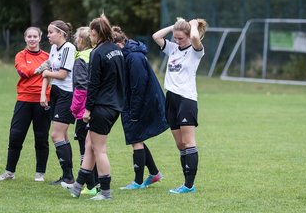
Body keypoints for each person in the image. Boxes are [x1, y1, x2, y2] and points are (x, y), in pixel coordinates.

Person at [62, 14, 126, 200]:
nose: (89, 36)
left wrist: (88, 109)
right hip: (114, 105)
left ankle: (105, 192)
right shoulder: (116, 49)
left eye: (90, 33)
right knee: (90, 145)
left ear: (94, 32)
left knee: (99, 149)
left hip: (102, 106)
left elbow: (93, 84)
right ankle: (78, 186)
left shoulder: (97, 53)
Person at [152, 17, 208, 194]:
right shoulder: (173, 49)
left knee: (188, 141)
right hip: (171, 99)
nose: (177, 41)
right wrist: (174, 27)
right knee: (180, 144)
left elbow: (195, 39)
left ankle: (189, 185)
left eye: (181, 38)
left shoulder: (195, 50)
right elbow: (156, 36)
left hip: (187, 99)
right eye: (175, 38)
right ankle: (186, 183)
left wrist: (192, 25)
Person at [112, 26, 169, 190]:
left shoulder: (134, 57)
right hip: (134, 102)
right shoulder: (127, 54)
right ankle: (154, 173)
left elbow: (139, 85)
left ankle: (137, 182)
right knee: (137, 138)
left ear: (120, 43)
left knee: (135, 138)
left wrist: (134, 111)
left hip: (141, 103)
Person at [0, 27, 51, 182]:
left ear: (40, 38)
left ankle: (40, 173)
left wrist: (44, 69)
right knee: (16, 136)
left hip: (43, 100)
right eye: (29, 36)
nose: (32, 39)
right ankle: (9, 172)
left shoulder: (47, 56)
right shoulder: (20, 55)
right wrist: (41, 68)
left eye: (35, 36)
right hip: (24, 100)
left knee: (41, 138)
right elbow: (24, 72)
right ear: (25, 38)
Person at [40, 20, 76, 185]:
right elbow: (47, 70)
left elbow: (62, 74)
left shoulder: (69, 48)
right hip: (55, 92)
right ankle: (67, 175)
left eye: (50, 32)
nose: (48, 35)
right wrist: (43, 94)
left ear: (61, 33)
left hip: (67, 94)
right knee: (63, 135)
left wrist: (47, 71)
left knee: (55, 135)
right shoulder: (54, 48)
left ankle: (68, 177)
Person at [70, 26, 99, 195]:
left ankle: (91, 186)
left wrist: (74, 108)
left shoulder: (81, 57)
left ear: (81, 40)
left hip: (83, 110)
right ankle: (96, 183)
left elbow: (81, 86)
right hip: (97, 106)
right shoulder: (95, 54)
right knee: (94, 146)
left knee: (84, 147)